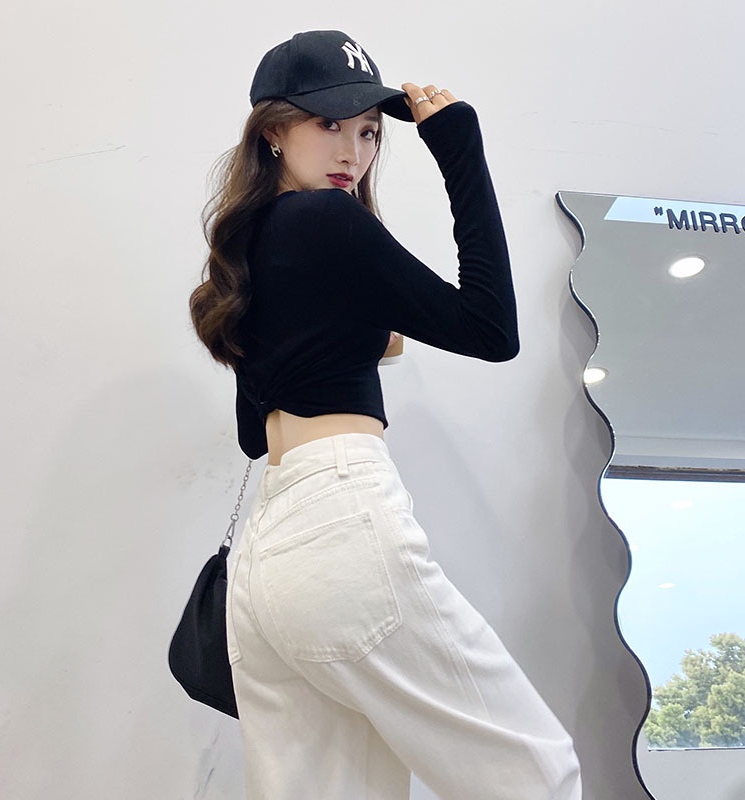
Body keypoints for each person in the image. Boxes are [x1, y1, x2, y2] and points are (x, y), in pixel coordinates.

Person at [189, 29, 582, 800]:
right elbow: (492, 330)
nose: (354, 151)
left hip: (271, 559)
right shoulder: (327, 222)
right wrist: (459, 150)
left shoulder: (246, 246)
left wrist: (358, 341)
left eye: (370, 131)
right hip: (342, 519)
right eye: (329, 123)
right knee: (533, 773)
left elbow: (252, 430)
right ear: (273, 131)